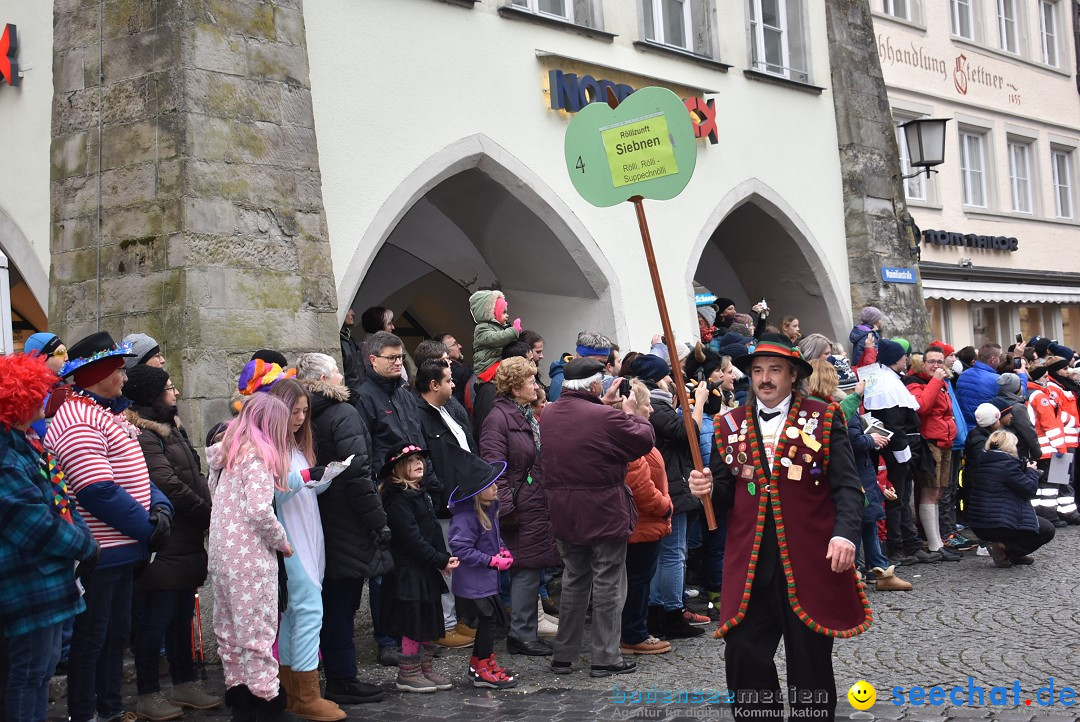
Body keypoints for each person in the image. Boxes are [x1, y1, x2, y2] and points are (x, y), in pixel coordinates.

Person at [688, 333, 868, 721]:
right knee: (743, 656)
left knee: (810, 663)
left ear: (792, 375)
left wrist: (844, 534)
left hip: (806, 560)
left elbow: (848, 487)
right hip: (750, 564)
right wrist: (703, 489)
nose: (764, 379)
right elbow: (724, 493)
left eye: (774, 370)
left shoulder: (824, 415)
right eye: (757, 371)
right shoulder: (728, 423)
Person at [45, 332, 174, 722]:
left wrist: (161, 507)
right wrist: (146, 527)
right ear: (98, 373)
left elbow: (133, 471)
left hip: (121, 549)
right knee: (93, 640)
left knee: (115, 636)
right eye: (118, 368)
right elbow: (97, 489)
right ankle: (86, 713)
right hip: (100, 552)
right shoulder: (78, 418)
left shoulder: (105, 413)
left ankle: (111, 708)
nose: (124, 375)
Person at [541, 357, 655, 678]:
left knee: (574, 579)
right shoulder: (604, 416)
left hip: (563, 510)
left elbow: (583, 424)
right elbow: (643, 440)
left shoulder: (548, 413)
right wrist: (631, 413)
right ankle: (606, 656)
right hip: (603, 509)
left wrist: (602, 406)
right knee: (608, 583)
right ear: (594, 385)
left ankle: (564, 655)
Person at [0, 353, 98, 722]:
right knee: (30, 674)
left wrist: (81, 537)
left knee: (41, 671)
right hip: (29, 581)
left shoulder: (24, 445)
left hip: (45, 579)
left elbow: (60, 501)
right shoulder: (7, 457)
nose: (45, 399)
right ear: (19, 401)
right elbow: (35, 523)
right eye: (36, 394)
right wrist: (85, 545)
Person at [122, 366, 221, 719]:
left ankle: (184, 684)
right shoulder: (144, 434)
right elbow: (167, 484)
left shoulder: (171, 427)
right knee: (157, 620)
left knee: (181, 617)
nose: (175, 392)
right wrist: (207, 514)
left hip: (187, 540)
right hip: (167, 542)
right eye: (168, 388)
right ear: (152, 396)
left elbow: (193, 473)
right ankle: (148, 693)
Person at [294, 354, 387, 705]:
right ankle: (342, 677)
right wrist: (378, 521)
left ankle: (330, 674)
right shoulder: (342, 413)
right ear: (322, 377)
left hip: (315, 517)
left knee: (328, 601)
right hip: (347, 518)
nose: (341, 376)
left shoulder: (305, 416)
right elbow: (357, 472)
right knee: (342, 603)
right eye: (335, 371)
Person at [205, 393, 296, 720]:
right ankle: (266, 703)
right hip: (250, 559)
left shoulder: (225, 455)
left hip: (221, 555)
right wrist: (282, 541)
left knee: (229, 633)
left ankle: (241, 701)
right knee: (258, 632)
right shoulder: (257, 456)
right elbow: (259, 511)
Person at [268, 379, 346, 722]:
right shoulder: (270, 448)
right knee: (308, 613)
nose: (300, 418)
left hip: (308, 536)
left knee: (296, 616)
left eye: (303, 411)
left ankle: (291, 692)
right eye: (293, 411)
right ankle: (306, 694)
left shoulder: (295, 445)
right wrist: (304, 476)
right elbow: (272, 496)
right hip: (290, 542)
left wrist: (323, 476)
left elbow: (302, 489)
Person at [480, 358, 561, 656]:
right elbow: (494, 467)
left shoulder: (522, 415)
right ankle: (522, 634)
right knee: (525, 571)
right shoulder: (498, 419)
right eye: (530, 382)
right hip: (519, 508)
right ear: (515, 388)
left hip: (532, 503)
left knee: (531, 569)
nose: (536, 387)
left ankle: (525, 631)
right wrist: (506, 509)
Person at [628, 353, 706, 640]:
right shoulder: (658, 407)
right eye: (668, 375)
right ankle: (670, 612)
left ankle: (661, 609)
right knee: (673, 554)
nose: (674, 380)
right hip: (667, 489)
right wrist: (696, 402)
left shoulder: (660, 405)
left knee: (667, 555)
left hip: (670, 485)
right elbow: (689, 432)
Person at [814, 363, 911, 592]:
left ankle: (877, 569)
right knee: (858, 524)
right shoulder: (837, 407)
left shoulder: (835, 406)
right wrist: (872, 440)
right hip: (855, 472)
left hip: (861, 473)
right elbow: (852, 441)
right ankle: (857, 571)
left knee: (868, 523)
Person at [379, 444, 459, 693]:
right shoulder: (398, 499)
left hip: (424, 568)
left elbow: (433, 530)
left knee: (427, 618)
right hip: (408, 571)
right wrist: (438, 559)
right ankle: (408, 672)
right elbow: (411, 539)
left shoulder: (418, 493)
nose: (419, 463)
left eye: (420, 459)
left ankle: (424, 667)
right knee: (412, 622)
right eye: (411, 460)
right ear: (397, 467)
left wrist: (443, 557)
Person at [413, 359, 481, 649]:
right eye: (449, 381)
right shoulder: (419, 415)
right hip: (443, 502)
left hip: (459, 499)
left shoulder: (444, 411)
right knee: (446, 563)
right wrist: (439, 490)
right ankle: (445, 624)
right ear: (433, 385)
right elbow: (425, 460)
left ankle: (456, 619)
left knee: (458, 560)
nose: (454, 385)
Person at [447, 458, 518, 689]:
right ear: (477, 492)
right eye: (491, 485)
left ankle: (478, 663)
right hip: (473, 581)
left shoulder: (489, 509)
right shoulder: (466, 517)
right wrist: (491, 561)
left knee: (491, 621)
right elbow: (461, 548)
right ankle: (483, 669)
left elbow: (494, 538)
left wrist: (503, 550)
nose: (496, 487)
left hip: (485, 580)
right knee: (487, 621)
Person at [620, 381, 674, 656]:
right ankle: (633, 634)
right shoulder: (632, 440)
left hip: (644, 521)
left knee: (637, 578)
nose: (651, 410)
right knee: (637, 580)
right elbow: (639, 485)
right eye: (646, 405)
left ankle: (634, 631)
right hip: (642, 521)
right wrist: (664, 506)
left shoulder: (636, 437)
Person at [863, 339, 927, 565]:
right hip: (895, 450)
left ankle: (910, 544)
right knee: (896, 498)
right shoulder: (886, 386)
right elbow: (895, 426)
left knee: (901, 497)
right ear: (896, 360)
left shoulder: (887, 380)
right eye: (903, 357)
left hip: (894, 448)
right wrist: (903, 454)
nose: (906, 360)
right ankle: (898, 547)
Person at [903, 348, 961, 562]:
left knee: (938, 493)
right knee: (929, 492)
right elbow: (922, 406)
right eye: (931, 361)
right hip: (929, 444)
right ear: (922, 362)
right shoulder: (915, 381)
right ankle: (935, 544)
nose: (936, 366)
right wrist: (936, 381)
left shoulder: (942, 382)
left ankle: (937, 541)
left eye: (939, 361)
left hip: (945, 442)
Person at [967, 430, 1055, 568]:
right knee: (1047, 529)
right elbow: (1029, 489)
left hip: (979, 523)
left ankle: (1013, 554)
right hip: (998, 523)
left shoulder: (982, 462)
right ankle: (1006, 549)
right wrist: (1031, 471)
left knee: (1025, 521)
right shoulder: (1008, 464)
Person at [956, 342, 1010, 429]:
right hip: (985, 428)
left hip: (964, 427)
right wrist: (1022, 375)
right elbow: (1015, 395)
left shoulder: (963, 375)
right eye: (999, 357)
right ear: (993, 359)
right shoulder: (996, 379)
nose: (1000, 360)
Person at [547, 331, 613, 402]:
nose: (602, 368)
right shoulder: (560, 380)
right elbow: (564, 410)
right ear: (581, 357)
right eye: (598, 362)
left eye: (604, 363)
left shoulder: (593, 375)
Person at [469, 290, 521, 378]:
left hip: (496, 363)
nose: (507, 315)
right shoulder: (482, 328)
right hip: (487, 367)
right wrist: (513, 331)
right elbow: (495, 339)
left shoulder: (500, 327)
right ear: (493, 313)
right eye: (504, 312)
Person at [339, 307, 365, 405]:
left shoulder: (352, 341)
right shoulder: (337, 343)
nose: (353, 313)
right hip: (350, 400)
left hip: (361, 396)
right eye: (349, 309)